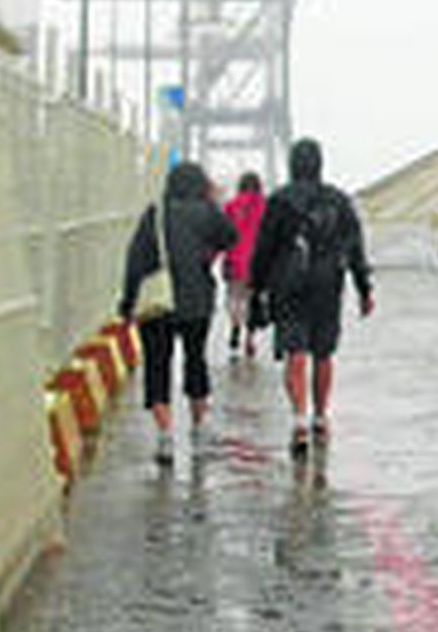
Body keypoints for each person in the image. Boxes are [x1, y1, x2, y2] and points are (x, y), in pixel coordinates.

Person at [250, 138, 374, 457]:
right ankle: (320, 416)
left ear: (292, 164)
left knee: (295, 351)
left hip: (289, 285)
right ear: (320, 164)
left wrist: (256, 287)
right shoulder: (339, 200)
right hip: (328, 284)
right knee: (323, 353)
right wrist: (364, 289)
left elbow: (264, 249)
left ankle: (298, 420)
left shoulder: (279, 201)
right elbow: (355, 247)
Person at [119, 160, 238, 466]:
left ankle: (165, 437)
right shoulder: (207, 211)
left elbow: (135, 262)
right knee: (195, 360)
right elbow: (231, 236)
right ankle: (198, 427)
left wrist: (127, 304)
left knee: (157, 366)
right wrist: (206, 253)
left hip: (158, 304)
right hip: (197, 301)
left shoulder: (155, 214)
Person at [222, 171, 267, 358]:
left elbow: (223, 233)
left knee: (235, 297)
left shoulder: (230, 206)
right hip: (257, 262)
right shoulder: (264, 206)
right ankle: (249, 338)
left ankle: (235, 324)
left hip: (234, 260)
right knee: (253, 300)